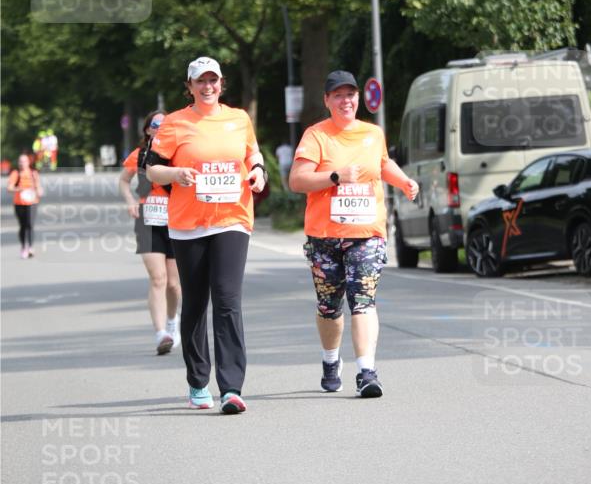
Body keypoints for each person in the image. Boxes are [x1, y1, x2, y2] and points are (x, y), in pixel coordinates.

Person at [146, 56, 267, 414]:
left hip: (232, 219)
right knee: (196, 303)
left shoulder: (239, 118)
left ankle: (231, 388)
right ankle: (198, 381)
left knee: (228, 300)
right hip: (188, 224)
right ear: (190, 86)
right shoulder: (174, 123)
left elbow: (253, 154)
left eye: (213, 80)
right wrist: (176, 174)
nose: (208, 86)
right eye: (200, 81)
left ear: (221, 83)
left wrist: (258, 172)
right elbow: (152, 170)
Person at [289, 70, 419, 398]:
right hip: (324, 236)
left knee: (363, 300)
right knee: (329, 307)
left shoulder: (372, 134)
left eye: (350, 94)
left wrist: (403, 181)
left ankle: (366, 371)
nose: (345, 101)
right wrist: (335, 176)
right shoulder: (316, 136)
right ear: (327, 100)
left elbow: (383, 164)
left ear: (358, 98)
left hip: (366, 232)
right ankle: (330, 359)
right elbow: (297, 180)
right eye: (338, 95)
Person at [119, 110, 182, 356]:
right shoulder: (138, 155)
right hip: (148, 219)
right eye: (156, 125)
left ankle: (172, 321)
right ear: (147, 130)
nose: (160, 128)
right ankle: (161, 334)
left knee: (174, 284)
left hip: (176, 220)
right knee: (158, 278)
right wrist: (130, 201)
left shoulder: (176, 154)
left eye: (165, 125)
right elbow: (124, 180)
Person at [7, 153, 43, 258]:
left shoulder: (33, 173)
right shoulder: (15, 173)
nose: (22, 163)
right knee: (22, 226)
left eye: (24, 161)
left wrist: (39, 191)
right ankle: (23, 247)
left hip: (32, 202)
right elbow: (9, 188)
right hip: (19, 203)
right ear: (18, 163)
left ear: (28, 162)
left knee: (30, 224)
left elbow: (38, 187)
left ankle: (31, 247)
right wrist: (19, 189)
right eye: (20, 161)